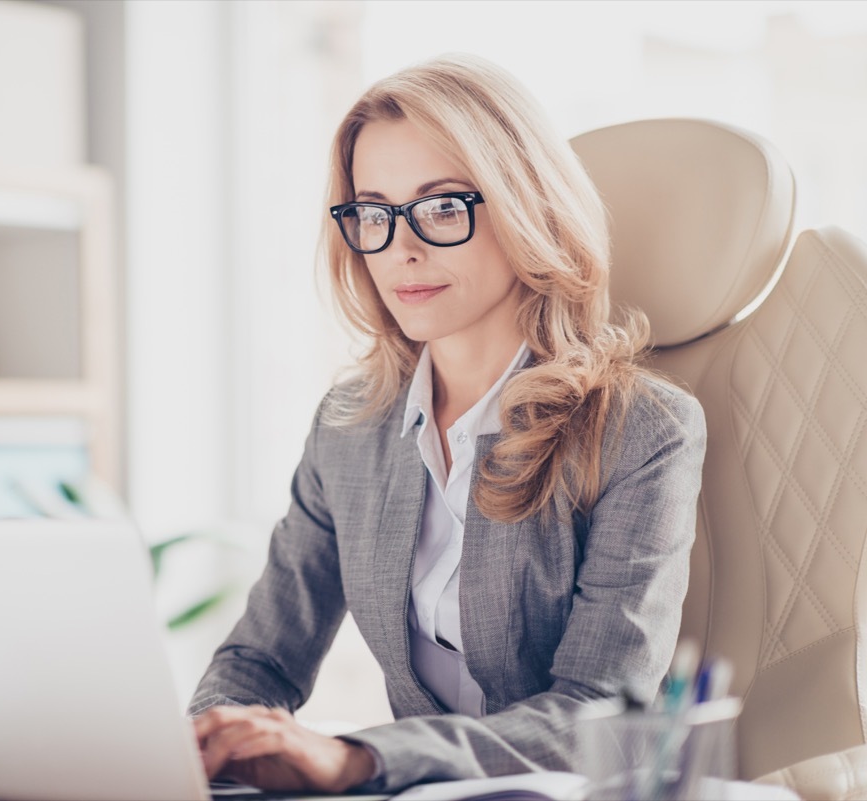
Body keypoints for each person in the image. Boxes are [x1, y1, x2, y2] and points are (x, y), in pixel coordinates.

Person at [189, 53, 706, 795]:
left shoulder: (641, 428)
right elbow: (259, 661)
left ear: (526, 208)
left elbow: (600, 711)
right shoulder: (349, 428)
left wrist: (363, 759)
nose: (402, 247)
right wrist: (210, 737)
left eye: (440, 206)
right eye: (374, 212)